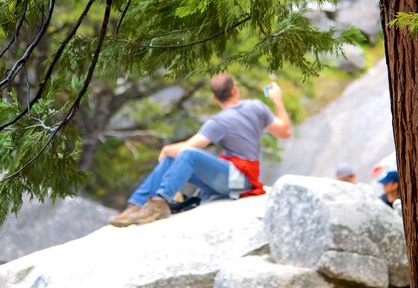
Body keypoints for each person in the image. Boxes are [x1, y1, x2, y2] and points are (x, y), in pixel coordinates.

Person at [108, 73, 292, 227]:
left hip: (240, 183)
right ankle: (137, 205)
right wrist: (278, 100)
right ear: (235, 90)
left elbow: (191, 147)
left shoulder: (218, 121)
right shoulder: (256, 107)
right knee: (177, 158)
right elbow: (284, 131)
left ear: (214, 97)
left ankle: (158, 203)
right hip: (234, 180)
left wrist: (166, 149)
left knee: (187, 155)